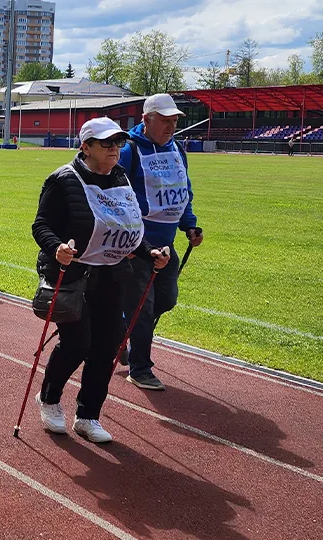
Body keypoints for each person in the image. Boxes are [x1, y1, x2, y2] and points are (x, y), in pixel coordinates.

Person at [32, 117, 169, 443]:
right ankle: (49, 398)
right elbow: (41, 226)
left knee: (106, 347)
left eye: (118, 143)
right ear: (86, 146)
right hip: (73, 276)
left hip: (112, 275)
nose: (114, 149)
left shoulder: (121, 177)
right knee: (78, 344)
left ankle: (88, 415)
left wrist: (149, 252)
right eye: (106, 143)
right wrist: (58, 248)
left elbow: (127, 230)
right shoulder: (62, 180)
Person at [119, 94, 203, 391]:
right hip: (137, 246)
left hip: (167, 245)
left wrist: (190, 225)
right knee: (142, 307)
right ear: (146, 119)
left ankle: (122, 330)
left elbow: (183, 191)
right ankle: (139, 368)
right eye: (165, 120)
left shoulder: (178, 149)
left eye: (175, 120)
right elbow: (115, 195)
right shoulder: (128, 150)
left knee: (166, 300)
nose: (171, 125)